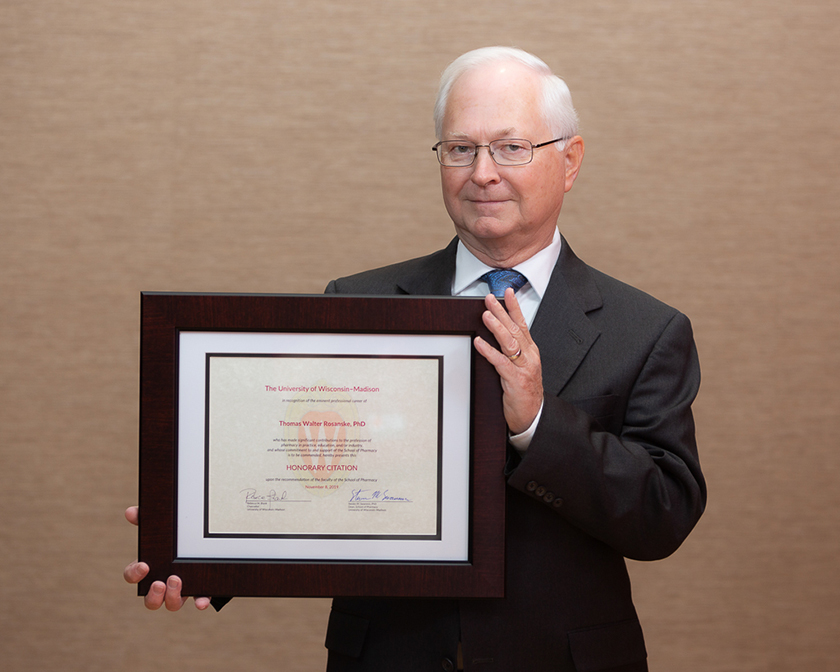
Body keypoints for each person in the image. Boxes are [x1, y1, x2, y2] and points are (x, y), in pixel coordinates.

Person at [125, 46, 705, 671]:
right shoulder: (357, 304)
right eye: (460, 148)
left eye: (511, 147)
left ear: (570, 161)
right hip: (386, 656)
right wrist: (206, 548)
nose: (482, 172)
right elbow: (304, 463)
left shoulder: (645, 330)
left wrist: (537, 422)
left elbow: (662, 515)